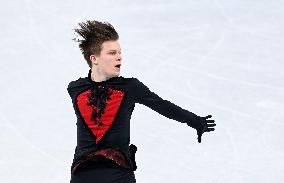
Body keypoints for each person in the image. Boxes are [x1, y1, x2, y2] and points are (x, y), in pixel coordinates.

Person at [67, 20, 216, 183]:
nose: (119, 57)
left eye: (119, 52)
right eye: (112, 53)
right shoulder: (127, 87)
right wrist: (196, 122)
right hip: (104, 173)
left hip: (94, 172)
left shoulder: (76, 88)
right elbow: (164, 106)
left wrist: (195, 121)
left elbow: (164, 106)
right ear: (94, 59)